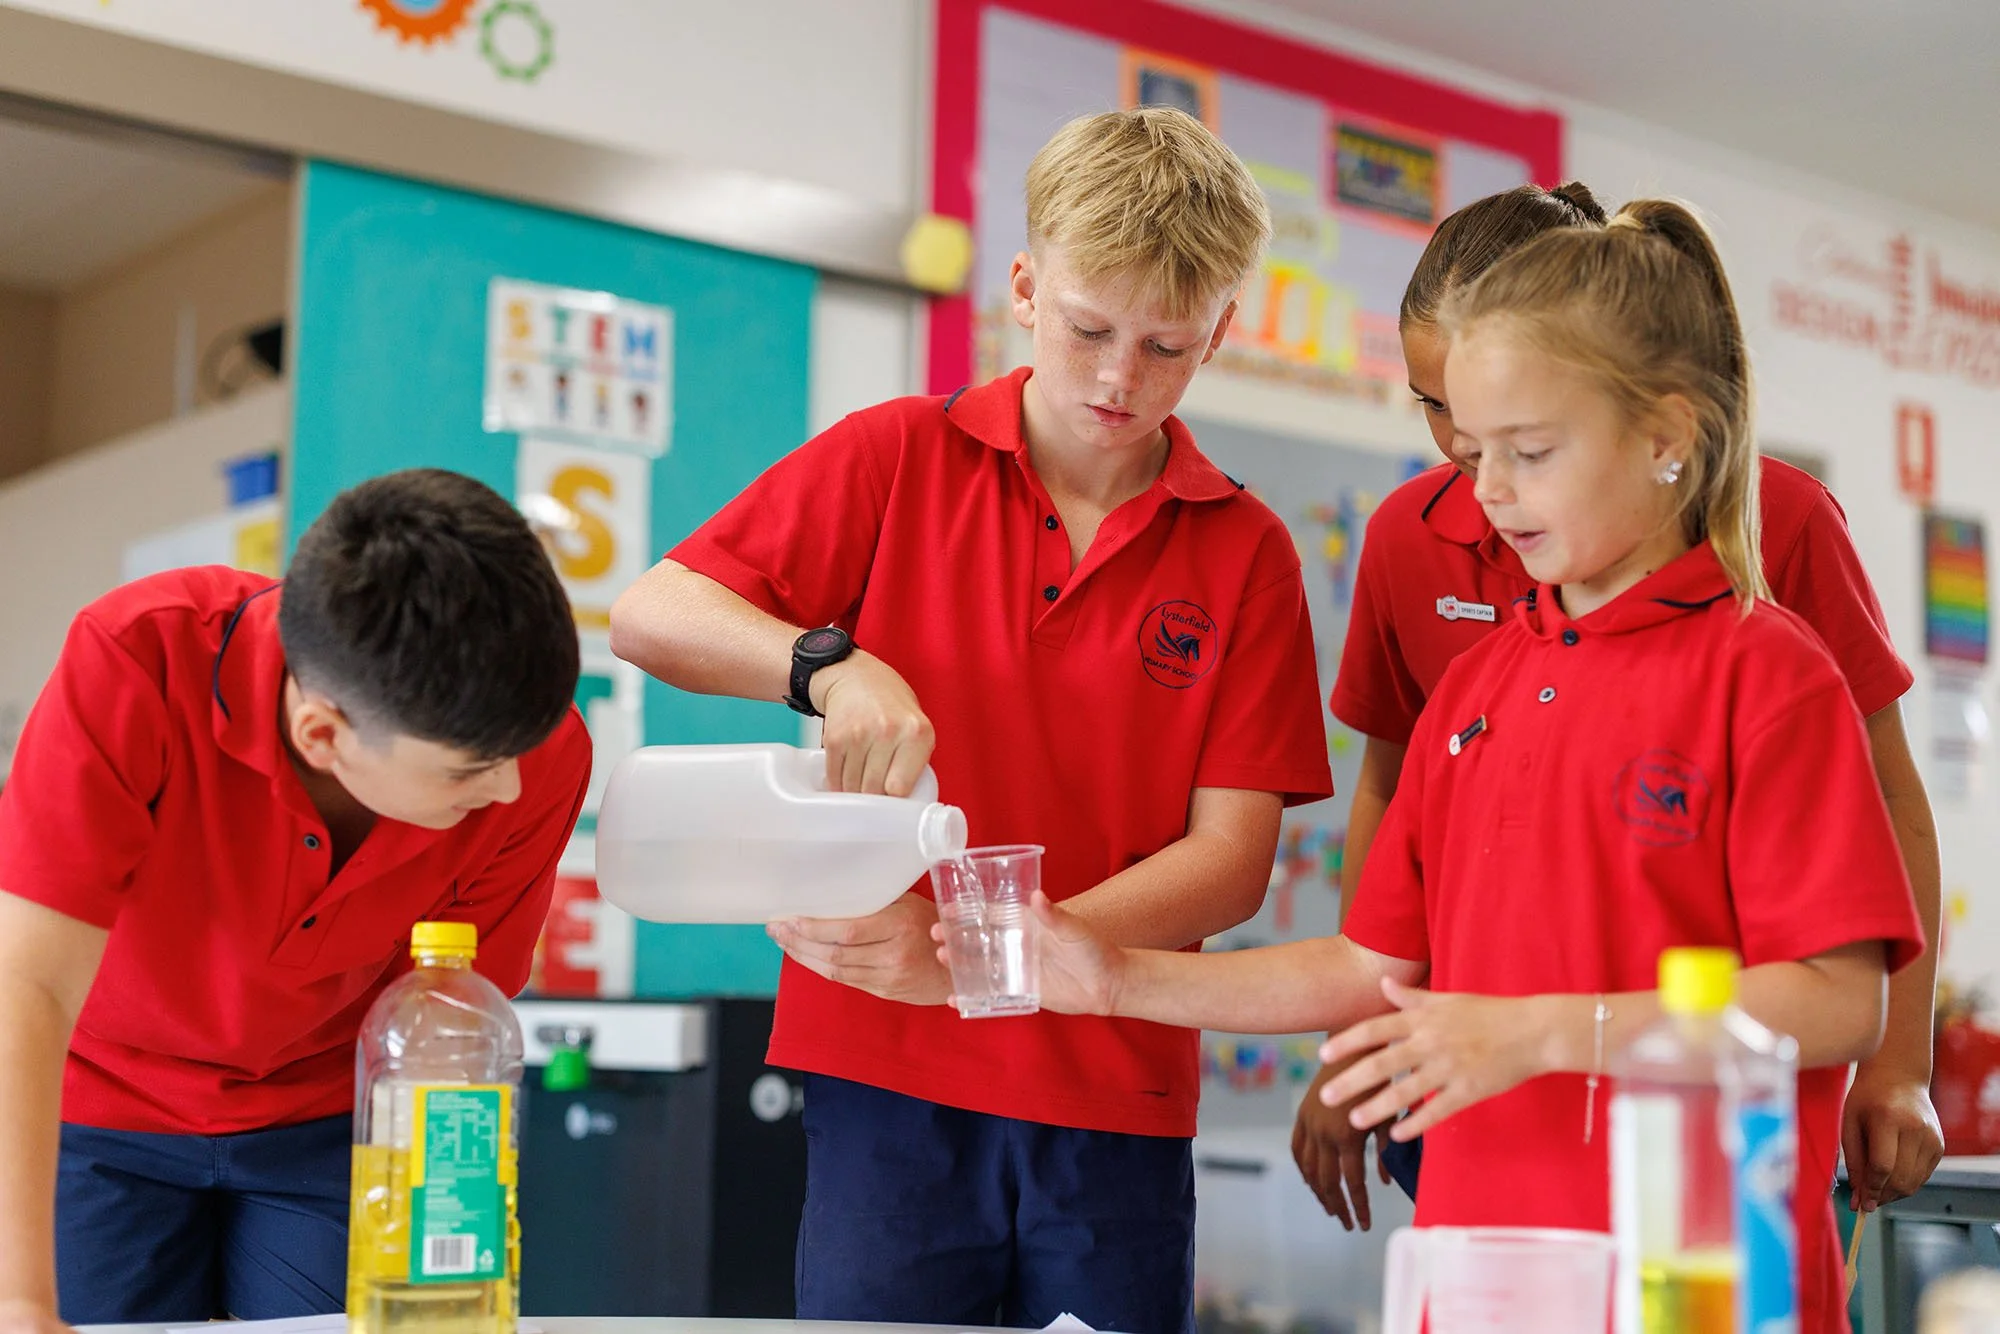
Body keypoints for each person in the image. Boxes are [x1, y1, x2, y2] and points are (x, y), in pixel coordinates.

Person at [1006, 200, 1924, 1334]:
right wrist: (1111, 975)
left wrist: (1540, 1031)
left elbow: (1831, 999)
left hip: (1696, 1277)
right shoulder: (1475, 690)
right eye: (1473, 449)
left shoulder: (1766, 672)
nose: (1487, 492)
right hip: (1478, 1263)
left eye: (1529, 453)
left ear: (1663, 435)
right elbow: (1363, 962)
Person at [608, 107, 1331, 1333]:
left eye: (1164, 346)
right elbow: (651, 612)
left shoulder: (1246, 549)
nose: (1117, 378)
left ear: (1216, 333)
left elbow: (1229, 861)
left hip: (1113, 1088)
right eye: (1089, 328)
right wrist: (824, 664)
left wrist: (969, 961)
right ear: (1022, 287)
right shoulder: (897, 455)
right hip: (880, 1076)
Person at [1292, 182, 1944, 1234]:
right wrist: (1362, 1042)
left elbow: (1881, 813)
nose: (1475, 467)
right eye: (1437, 409)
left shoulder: (1772, 545)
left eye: (1522, 438)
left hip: (1693, 1132)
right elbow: (1389, 801)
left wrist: (1897, 1060)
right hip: (1482, 1101)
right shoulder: (1413, 541)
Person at [0, 468, 591, 1331]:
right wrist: (19, 1301)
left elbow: (451, 1017)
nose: (507, 791)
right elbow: (29, 985)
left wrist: (447, 1269)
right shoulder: (136, 658)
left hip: (330, 1122)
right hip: (99, 1108)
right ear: (323, 732)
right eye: (467, 772)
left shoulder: (529, 758)